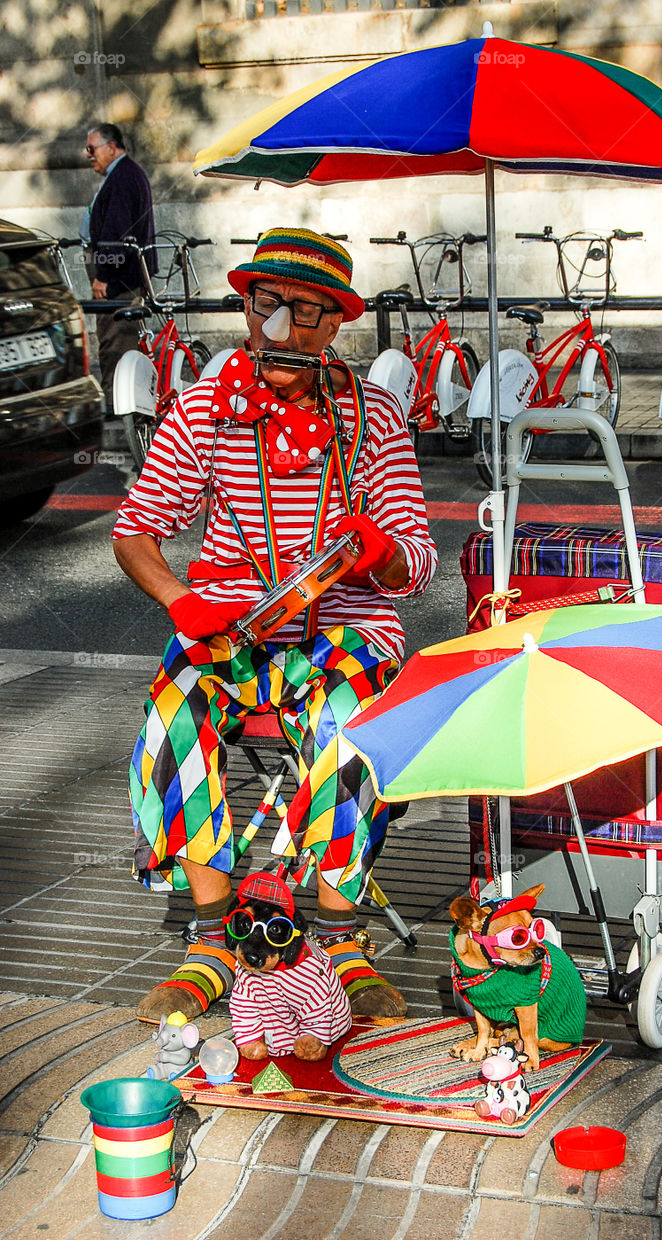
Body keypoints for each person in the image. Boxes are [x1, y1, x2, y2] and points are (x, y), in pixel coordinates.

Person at [112, 229, 437, 1025]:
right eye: (267, 306)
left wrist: (380, 553)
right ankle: (215, 937)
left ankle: (338, 936)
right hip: (231, 626)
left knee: (351, 721)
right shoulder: (201, 406)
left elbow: (421, 562)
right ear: (246, 307)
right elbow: (136, 529)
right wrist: (180, 602)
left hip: (347, 630)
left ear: (336, 325)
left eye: (307, 312)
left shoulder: (377, 416)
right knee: (171, 712)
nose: (282, 329)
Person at [81, 122, 156, 413]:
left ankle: (118, 407)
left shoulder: (123, 177)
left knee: (116, 340)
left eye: (92, 148)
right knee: (118, 337)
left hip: (119, 281)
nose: (88, 155)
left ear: (111, 148)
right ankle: (123, 404)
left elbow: (116, 234)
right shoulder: (122, 175)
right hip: (121, 278)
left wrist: (103, 277)